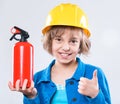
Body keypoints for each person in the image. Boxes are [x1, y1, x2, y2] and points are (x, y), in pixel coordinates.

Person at [8, 3, 111, 104]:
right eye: (59, 39)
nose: (66, 47)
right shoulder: (37, 79)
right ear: (50, 42)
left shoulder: (94, 75)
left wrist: (96, 95)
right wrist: (31, 96)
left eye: (73, 41)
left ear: (81, 44)